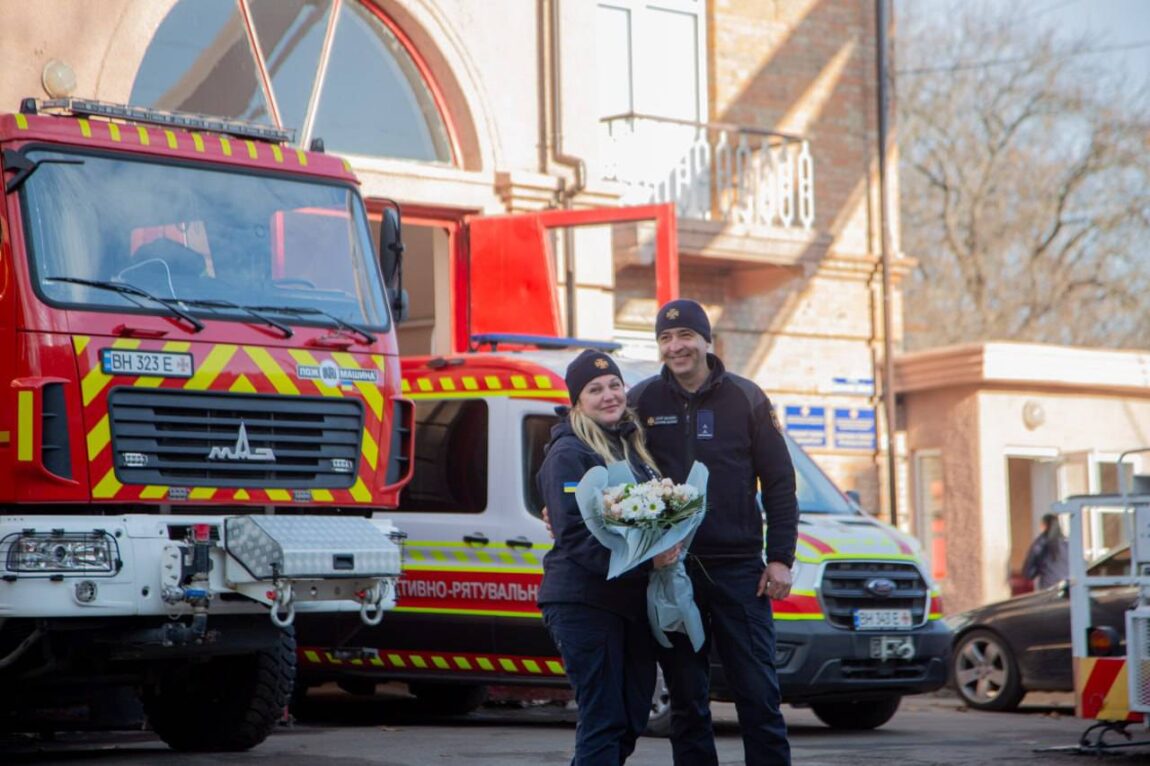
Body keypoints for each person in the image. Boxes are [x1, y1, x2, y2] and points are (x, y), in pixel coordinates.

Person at [628, 298, 799, 766]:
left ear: (707, 340)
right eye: (665, 338)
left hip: (740, 572)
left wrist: (780, 556)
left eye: (685, 336)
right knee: (687, 701)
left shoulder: (746, 398)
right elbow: (597, 455)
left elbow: (780, 482)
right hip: (670, 570)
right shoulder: (641, 401)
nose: (675, 346)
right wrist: (556, 498)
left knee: (758, 697)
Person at [537, 348, 680, 765]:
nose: (608, 395)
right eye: (595, 389)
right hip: (584, 602)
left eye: (614, 385)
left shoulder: (631, 447)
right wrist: (647, 561)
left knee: (632, 715)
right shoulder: (570, 452)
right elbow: (577, 537)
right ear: (577, 402)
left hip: (629, 603)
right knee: (604, 718)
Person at [1022, 513, 1069, 589]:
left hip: (1050, 590)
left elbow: (1028, 573)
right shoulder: (1068, 544)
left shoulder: (1040, 544)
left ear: (1044, 526)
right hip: (1070, 590)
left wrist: (1038, 569)